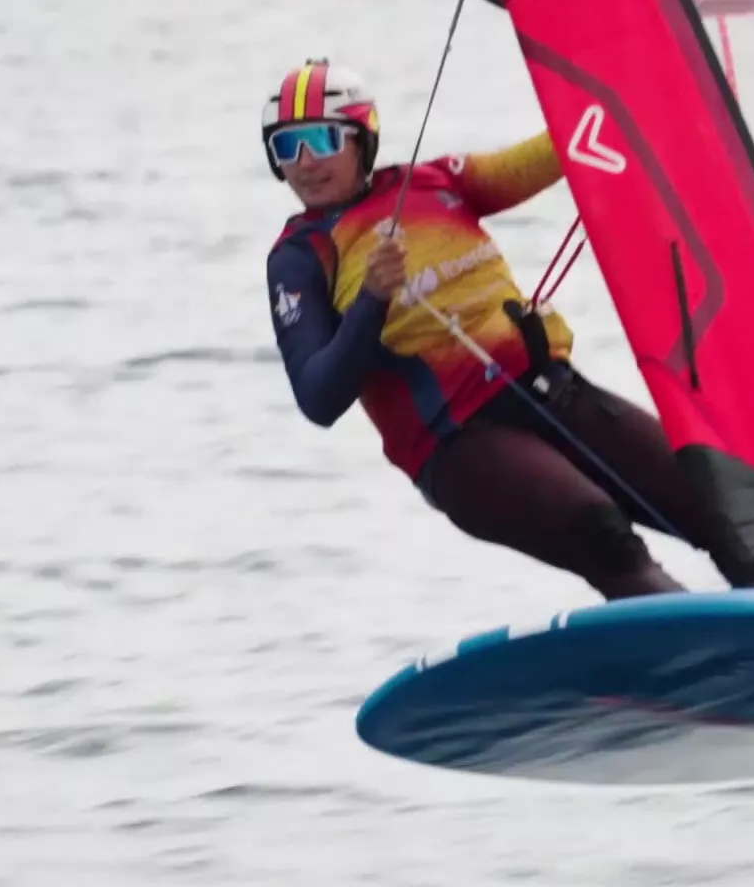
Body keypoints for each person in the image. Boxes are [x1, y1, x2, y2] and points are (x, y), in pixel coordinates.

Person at [260, 58, 728, 601]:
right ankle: (702, 654)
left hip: (554, 394)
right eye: (286, 147)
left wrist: (638, 95)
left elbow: (552, 154)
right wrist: (372, 298)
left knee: (716, 498)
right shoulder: (299, 258)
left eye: (321, 139)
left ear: (362, 138)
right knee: (598, 530)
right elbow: (319, 397)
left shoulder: (437, 183)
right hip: (459, 448)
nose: (305, 163)